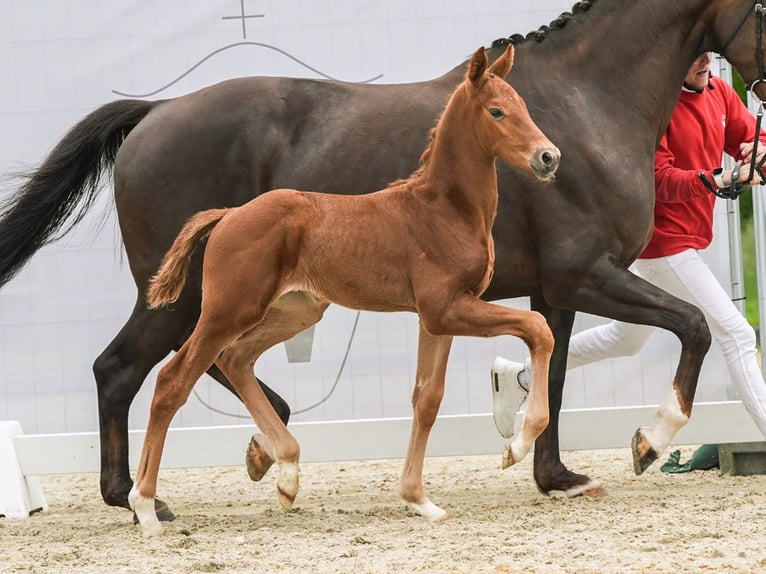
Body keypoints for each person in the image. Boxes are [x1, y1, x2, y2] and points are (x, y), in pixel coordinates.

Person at [491, 52, 766, 441]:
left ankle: (518, 377)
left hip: (687, 244)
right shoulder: (662, 108)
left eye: (708, 54)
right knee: (737, 335)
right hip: (665, 248)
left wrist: (759, 152)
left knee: (626, 340)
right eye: (693, 56)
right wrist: (716, 178)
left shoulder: (721, 92)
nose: (704, 61)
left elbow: (752, 139)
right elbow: (660, 179)